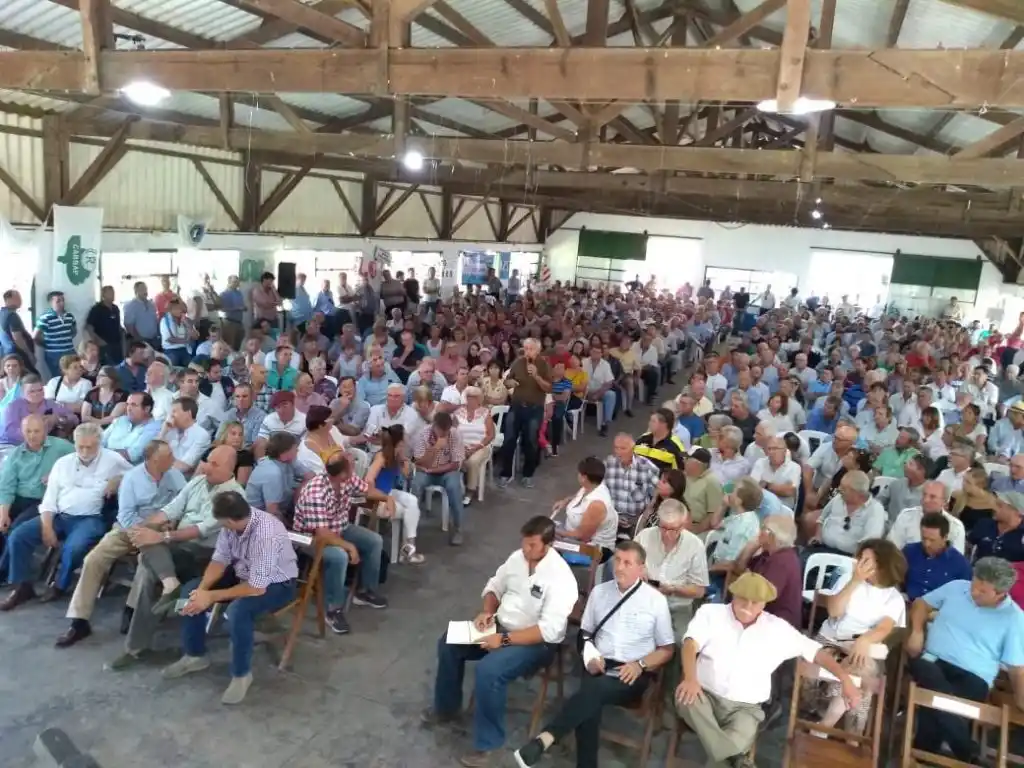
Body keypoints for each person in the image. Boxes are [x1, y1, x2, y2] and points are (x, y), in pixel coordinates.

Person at [423, 515, 578, 768]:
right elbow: (495, 585)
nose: (526, 549)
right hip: (501, 626)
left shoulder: (561, 578)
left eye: (532, 545)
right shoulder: (517, 558)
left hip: (534, 642)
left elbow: (548, 630)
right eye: (524, 543)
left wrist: (503, 640)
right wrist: (487, 611)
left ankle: (488, 746)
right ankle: (447, 708)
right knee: (449, 642)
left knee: (489, 671)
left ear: (548, 545)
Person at [512, 541, 675, 768]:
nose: (620, 567)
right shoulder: (600, 593)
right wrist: (590, 657)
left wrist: (640, 665)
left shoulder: (655, 601)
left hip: (633, 671)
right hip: (599, 662)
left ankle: (546, 738)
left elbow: (667, 649)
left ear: (641, 568)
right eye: (617, 560)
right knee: (591, 695)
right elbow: (585, 634)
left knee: (591, 692)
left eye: (627, 563)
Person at [674, 572, 860, 768]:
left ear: (764, 604)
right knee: (687, 700)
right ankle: (735, 756)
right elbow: (690, 644)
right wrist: (690, 678)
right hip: (703, 694)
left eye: (755, 602)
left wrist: (845, 680)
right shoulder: (711, 613)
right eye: (743, 599)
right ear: (733, 595)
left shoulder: (777, 629)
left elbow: (816, 653)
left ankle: (729, 755)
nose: (747, 606)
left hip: (744, 709)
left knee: (726, 755)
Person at [160, 491, 298, 705]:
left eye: (223, 523)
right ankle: (194, 654)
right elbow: (219, 560)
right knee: (189, 591)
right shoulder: (231, 526)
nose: (221, 527)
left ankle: (242, 674)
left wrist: (212, 596)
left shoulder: (266, 533)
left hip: (277, 584)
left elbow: (256, 587)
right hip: (242, 573)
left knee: (237, 612)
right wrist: (203, 591)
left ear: (232, 520)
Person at [56, 440, 186, 647]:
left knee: (147, 560)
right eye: (169, 456)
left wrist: (171, 524)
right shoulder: (132, 479)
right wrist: (142, 531)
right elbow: (125, 516)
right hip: (128, 528)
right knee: (94, 559)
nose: (173, 459)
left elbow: (184, 503)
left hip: (162, 531)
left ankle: (131, 610)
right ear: (154, 460)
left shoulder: (175, 475)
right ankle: (79, 621)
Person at [904, 558, 1024, 763]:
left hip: (974, 676)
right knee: (929, 673)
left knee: (935, 698)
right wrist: (916, 632)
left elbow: (1016, 668)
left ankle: (924, 753)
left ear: (1001, 594)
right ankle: (966, 751)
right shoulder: (957, 587)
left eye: (982, 591)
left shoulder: (1014, 618)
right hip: (933, 659)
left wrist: (1021, 700)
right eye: (974, 584)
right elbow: (922, 604)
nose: (974, 592)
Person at [1, 423, 131, 610]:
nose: (85, 451)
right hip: (59, 516)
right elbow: (50, 498)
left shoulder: (112, 459)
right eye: (80, 447)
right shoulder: (63, 463)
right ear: (75, 443)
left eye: (90, 447)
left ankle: (60, 586)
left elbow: (138, 473)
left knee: (73, 547)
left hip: (90, 518)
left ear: (99, 444)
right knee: (18, 536)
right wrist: (47, 526)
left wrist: (119, 478)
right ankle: (22, 587)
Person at [806, 539, 906, 731]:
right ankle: (845, 732)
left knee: (861, 667)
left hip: (860, 648)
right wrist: (855, 581)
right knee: (861, 677)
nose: (860, 563)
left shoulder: (893, 598)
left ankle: (826, 725)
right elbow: (834, 611)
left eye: (867, 560)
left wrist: (864, 640)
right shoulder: (847, 579)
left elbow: (883, 629)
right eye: (861, 558)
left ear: (882, 566)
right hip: (830, 641)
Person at [293, 450, 392, 635]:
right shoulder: (316, 492)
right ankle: (333, 609)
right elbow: (321, 534)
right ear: (342, 474)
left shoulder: (347, 479)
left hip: (339, 527)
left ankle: (365, 591)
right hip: (311, 538)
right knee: (339, 556)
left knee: (374, 541)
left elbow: (366, 490)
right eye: (351, 465)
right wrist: (348, 546)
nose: (355, 466)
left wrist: (387, 498)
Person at [0, 416, 74, 562]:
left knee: (16, 529)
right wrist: (3, 513)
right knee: (1, 523)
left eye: (36, 431)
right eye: (28, 431)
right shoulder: (15, 455)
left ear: (45, 431)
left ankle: (3, 573)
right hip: (18, 498)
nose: (32, 435)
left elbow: (82, 460)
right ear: (22, 432)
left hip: (42, 501)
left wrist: (57, 474)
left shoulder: (62, 446)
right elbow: (6, 486)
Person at [634, 499, 708, 636]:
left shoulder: (695, 545)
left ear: (682, 525)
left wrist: (673, 589)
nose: (667, 534)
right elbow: (626, 563)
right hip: (642, 600)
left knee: (680, 642)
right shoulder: (644, 536)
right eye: (663, 527)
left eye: (673, 529)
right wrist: (638, 568)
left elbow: (699, 590)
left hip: (676, 606)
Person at [364, 425, 423, 563]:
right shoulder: (382, 456)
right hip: (377, 498)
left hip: (389, 492)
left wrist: (404, 460)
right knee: (409, 512)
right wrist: (380, 498)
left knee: (412, 502)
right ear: (400, 441)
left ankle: (408, 549)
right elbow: (368, 480)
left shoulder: (396, 455)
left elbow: (406, 475)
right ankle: (408, 553)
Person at [498, 338, 551, 489]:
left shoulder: (544, 365)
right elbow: (507, 381)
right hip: (516, 406)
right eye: (526, 348)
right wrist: (510, 383)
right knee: (508, 440)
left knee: (531, 442)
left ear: (538, 350)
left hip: (534, 409)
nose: (527, 351)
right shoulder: (518, 362)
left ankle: (528, 474)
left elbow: (549, 388)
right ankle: (506, 473)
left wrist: (536, 376)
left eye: (531, 349)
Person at [733, 515, 803, 628]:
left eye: (762, 528)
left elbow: (759, 596)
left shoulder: (783, 560)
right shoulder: (768, 554)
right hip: (759, 615)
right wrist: (750, 547)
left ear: (771, 535)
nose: (758, 532)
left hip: (777, 624)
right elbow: (738, 569)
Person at [410, 411, 467, 544]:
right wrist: (435, 448)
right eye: (441, 431)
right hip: (425, 471)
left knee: (454, 487)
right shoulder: (423, 434)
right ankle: (411, 529)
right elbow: (419, 461)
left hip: (446, 471)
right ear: (434, 426)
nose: (444, 434)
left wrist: (433, 469)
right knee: (416, 485)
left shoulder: (455, 434)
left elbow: (455, 464)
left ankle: (458, 528)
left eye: (446, 431)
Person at [551, 456, 619, 558]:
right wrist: (565, 501)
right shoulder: (592, 486)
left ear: (584, 478)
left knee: (545, 542)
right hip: (574, 533)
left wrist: (556, 532)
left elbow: (583, 536)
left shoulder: (596, 505)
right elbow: (578, 496)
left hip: (594, 549)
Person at [809, 470, 886, 557]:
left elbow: (869, 543)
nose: (839, 489)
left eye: (844, 488)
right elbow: (821, 518)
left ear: (857, 493)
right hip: (822, 548)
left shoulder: (875, 509)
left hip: (848, 557)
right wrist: (817, 536)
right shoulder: (838, 499)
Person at [903, 512, 973, 600]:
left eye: (932, 540)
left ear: (945, 537)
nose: (927, 544)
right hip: (907, 604)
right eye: (924, 538)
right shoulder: (909, 551)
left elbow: (964, 597)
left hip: (939, 610)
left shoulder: (961, 565)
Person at [888, 479, 966, 553]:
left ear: (944, 502)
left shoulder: (956, 527)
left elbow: (956, 559)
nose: (926, 500)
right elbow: (892, 548)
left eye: (932, 497)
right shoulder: (906, 516)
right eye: (924, 495)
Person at [603, 434, 659, 535]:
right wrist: (612, 516)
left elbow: (659, 491)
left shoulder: (646, 467)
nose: (618, 452)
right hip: (611, 516)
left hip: (637, 519)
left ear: (633, 449)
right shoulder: (607, 464)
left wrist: (648, 511)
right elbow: (600, 492)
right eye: (616, 448)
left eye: (623, 448)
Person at [0, 375, 77, 447]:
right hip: (11, 445)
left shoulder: (50, 404)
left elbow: (74, 418)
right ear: (23, 392)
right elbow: (11, 433)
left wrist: (58, 419)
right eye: (32, 391)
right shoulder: (12, 407)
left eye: (40, 390)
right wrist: (38, 433)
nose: (37, 394)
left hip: (42, 445)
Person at [246, 431, 306, 520]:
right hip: (259, 519)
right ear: (284, 453)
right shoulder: (272, 473)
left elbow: (311, 476)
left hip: (285, 509)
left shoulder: (288, 460)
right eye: (295, 448)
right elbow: (272, 512)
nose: (298, 450)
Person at [455, 386, 495, 506]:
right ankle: (456, 487)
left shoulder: (485, 413)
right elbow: (452, 432)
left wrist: (475, 448)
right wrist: (461, 447)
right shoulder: (458, 412)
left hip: (481, 446)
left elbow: (491, 435)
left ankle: (470, 491)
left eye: (474, 398)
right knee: (453, 457)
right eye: (469, 397)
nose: (471, 400)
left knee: (472, 461)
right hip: (461, 445)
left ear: (479, 399)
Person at [102, 392, 163, 464]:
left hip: (126, 470)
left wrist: (102, 453)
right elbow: (99, 440)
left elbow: (132, 455)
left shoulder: (154, 428)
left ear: (147, 409)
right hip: (103, 463)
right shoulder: (121, 420)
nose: (129, 408)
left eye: (133, 405)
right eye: (128, 404)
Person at [969, 489, 1024, 562]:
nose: (994, 508)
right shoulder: (984, 524)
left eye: (999, 505)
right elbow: (968, 547)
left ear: (1016, 512)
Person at [160, 397, 212, 475]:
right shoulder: (169, 429)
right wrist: (162, 433)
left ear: (188, 413)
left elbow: (184, 467)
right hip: (161, 472)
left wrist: (160, 459)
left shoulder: (201, 435)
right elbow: (151, 453)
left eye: (174, 412)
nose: (171, 416)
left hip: (179, 479)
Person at [749, 436, 801, 510]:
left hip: (783, 510)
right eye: (769, 449)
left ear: (785, 451)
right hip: (760, 507)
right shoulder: (760, 463)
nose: (771, 452)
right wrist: (779, 488)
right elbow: (752, 488)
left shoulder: (795, 467)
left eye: (775, 448)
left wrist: (766, 485)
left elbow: (789, 491)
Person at [35, 291, 77, 378]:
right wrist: (46, 344)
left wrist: (65, 339)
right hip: (54, 354)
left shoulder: (69, 316)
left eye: (63, 300)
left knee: (74, 375)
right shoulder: (45, 317)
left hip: (70, 351)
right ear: (51, 303)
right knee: (58, 378)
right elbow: (35, 336)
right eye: (58, 301)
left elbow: (74, 331)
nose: (62, 303)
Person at [682, 448, 725, 534]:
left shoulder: (712, 481)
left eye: (687, 459)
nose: (683, 461)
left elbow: (712, 513)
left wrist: (695, 532)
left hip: (698, 530)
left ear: (699, 464)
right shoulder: (686, 476)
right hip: (680, 524)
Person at [634, 408, 688, 472]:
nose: (649, 423)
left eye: (653, 421)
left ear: (664, 424)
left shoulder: (678, 445)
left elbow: (685, 468)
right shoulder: (643, 438)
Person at [582, 341, 616, 437]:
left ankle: (605, 423)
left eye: (598, 352)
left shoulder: (605, 365)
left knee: (611, 395)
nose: (595, 354)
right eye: (593, 352)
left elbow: (609, 383)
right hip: (584, 390)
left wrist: (598, 394)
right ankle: (571, 420)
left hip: (599, 390)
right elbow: (578, 379)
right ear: (590, 352)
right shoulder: (583, 362)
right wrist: (585, 392)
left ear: (601, 354)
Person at [0, 289, 37, 373]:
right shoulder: (12, 315)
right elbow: (17, 338)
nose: (21, 300)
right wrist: (29, 354)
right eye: (18, 297)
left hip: (6, 353)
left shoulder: (2, 313)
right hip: (18, 354)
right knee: (32, 376)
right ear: (9, 299)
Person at [122, 281, 160, 349]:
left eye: (145, 288)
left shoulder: (151, 304)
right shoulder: (131, 305)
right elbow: (128, 325)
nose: (145, 291)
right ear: (136, 291)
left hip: (154, 339)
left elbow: (155, 320)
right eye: (142, 289)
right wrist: (138, 339)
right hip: (141, 340)